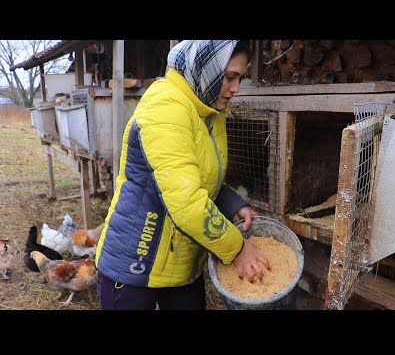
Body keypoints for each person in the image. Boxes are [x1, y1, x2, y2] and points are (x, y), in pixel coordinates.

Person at [95, 40, 270, 310]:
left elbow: (198, 178)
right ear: (206, 69)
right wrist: (238, 249)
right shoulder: (165, 108)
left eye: (240, 78)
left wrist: (234, 204)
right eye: (229, 77)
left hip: (182, 264)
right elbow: (186, 202)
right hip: (136, 262)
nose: (235, 89)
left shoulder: (209, 111)